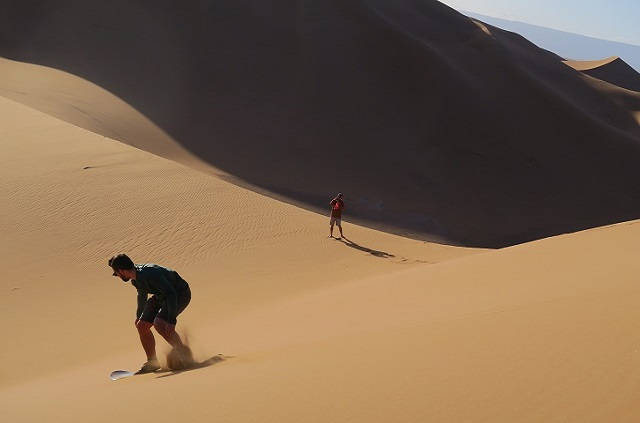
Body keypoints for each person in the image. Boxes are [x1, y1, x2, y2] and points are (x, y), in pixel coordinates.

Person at [109, 254, 193, 373]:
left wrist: (171, 321)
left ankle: (184, 355)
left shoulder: (150, 274)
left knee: (160, 324)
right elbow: (142, 295)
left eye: (116, 273)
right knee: (141, 326)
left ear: (121, 271)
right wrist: (139, 316)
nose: (117, 276)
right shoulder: (136, 279)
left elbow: (171, 294)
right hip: (161, 295)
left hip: (179, 294)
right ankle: (152, 362)